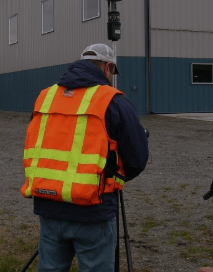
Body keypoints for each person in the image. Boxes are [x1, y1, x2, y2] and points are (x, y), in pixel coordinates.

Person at [21, 43, 149, 272]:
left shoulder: (45, 97)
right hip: (93, 210)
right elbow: (136, 159)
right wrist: (109, 177)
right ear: (107, 67)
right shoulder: (113, 100)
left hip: (49, 205)